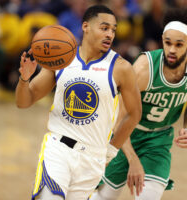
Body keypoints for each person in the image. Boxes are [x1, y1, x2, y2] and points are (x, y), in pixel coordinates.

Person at [15, 5, 142, 200]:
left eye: (113, 30)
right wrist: (25, 79)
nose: (110, 34)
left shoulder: (121, 68)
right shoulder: (61, 59)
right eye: (104, 28)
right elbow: (24, 101)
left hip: (93, 159)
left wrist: (113, 149)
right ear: (86, 27)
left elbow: (134, 113)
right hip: (58, 149)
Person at [89, 7, 187, 200]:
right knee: (104, 197)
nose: (171, 50)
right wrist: (133, 161)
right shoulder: (142, 69)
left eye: (179, 45)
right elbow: (118, 120)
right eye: (167, 43)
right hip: (123, 135)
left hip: (158, 139)